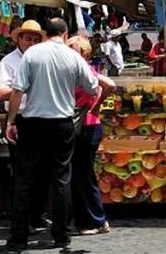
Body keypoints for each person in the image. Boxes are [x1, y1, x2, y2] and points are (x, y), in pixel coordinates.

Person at [4, 19, 110, 251]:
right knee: (61, 179)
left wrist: (11, 121)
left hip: (32, 123)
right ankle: (61, 236)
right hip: (62, 123)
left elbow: (17, 90)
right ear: (63, 34)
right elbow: (93, 86)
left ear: (45, 34)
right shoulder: (73, 56)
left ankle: (18, 236)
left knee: (25, 180)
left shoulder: (32, 55)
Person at [67, 37, 111, 236]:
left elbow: (109, 84)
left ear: (84, 53)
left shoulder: (83, 68)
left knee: (83, 174)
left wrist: (94, 106)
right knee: (80, 174)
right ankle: (87, 219)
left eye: (73, 49)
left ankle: (95, 220)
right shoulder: (75, 69)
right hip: (85, 126)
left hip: (86, 127)